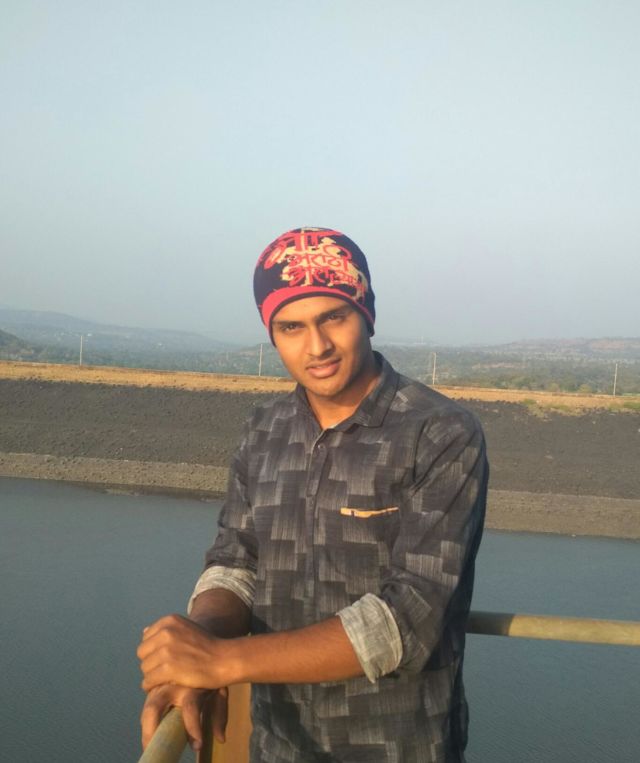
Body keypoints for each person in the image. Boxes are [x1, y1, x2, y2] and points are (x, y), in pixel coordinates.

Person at [138, 227, 489, 762]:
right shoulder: (265, 429)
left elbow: (410, 617)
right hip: (280, 744)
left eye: (334, 317)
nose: (317, 345)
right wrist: (200, 640)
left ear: (367, 313)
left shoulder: (439, 433)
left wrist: (221, 662)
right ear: (272, 334)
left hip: (400, 748)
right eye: (291, 327)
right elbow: (236, 561)